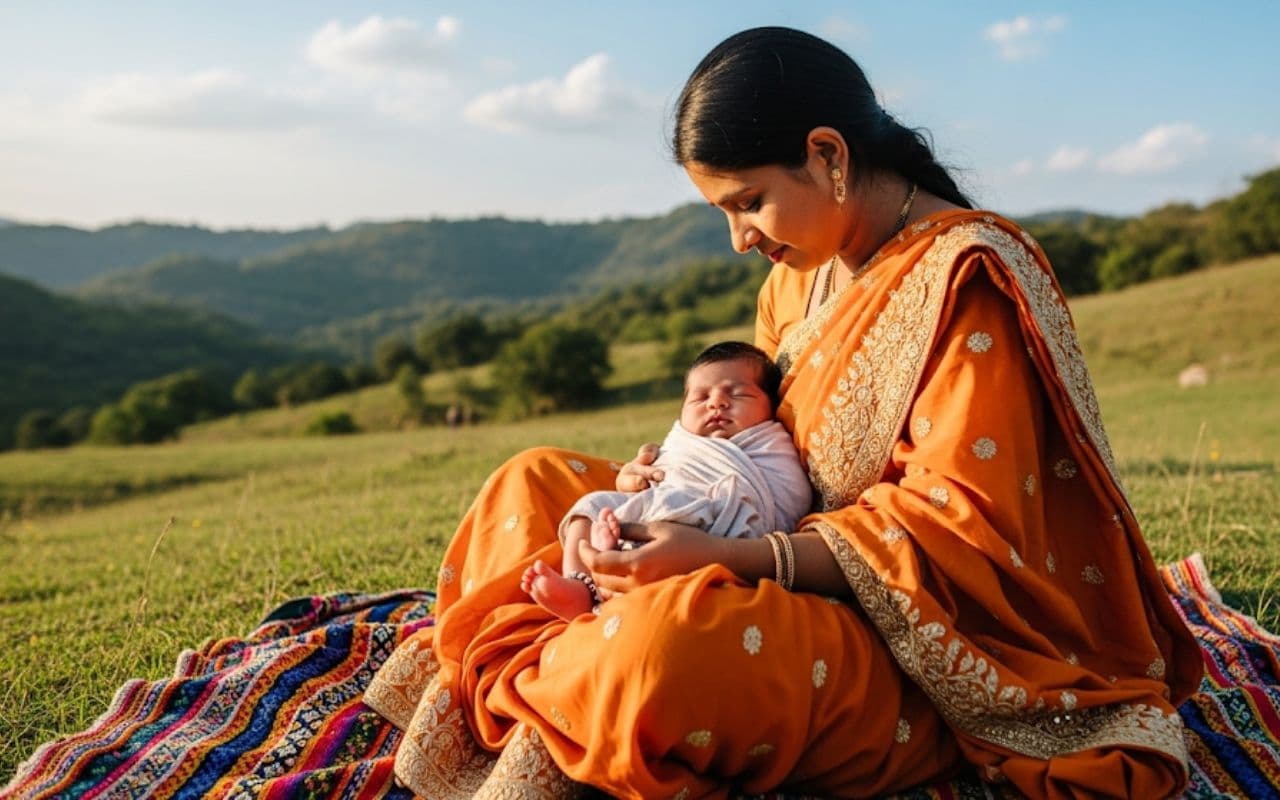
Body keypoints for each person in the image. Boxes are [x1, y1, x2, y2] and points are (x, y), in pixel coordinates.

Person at [364, 26, 1201, 799]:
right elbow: (760, 448)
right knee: (533, 481)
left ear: (828, 155)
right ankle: (584, 654)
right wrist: (635, 499)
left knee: (666, 651)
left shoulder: (967, 278)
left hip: (901, 636)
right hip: (750, 540)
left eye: (748, 202)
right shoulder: (797, 278)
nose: (738, 239)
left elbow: (962, 534)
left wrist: (728, 557)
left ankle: (581, 661)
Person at [521, 341, 813, 620]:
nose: (717, 403)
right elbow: (658, 477)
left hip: (715, 524)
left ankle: (615, 555)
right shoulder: (681, 441)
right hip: (654, 506)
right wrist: (634, 482)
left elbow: (792, 496)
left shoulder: (771, 442)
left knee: (674, 507)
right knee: (591, 506)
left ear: (771, 407)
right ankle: (580, 587)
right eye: (701, 397)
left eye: (737, 394)